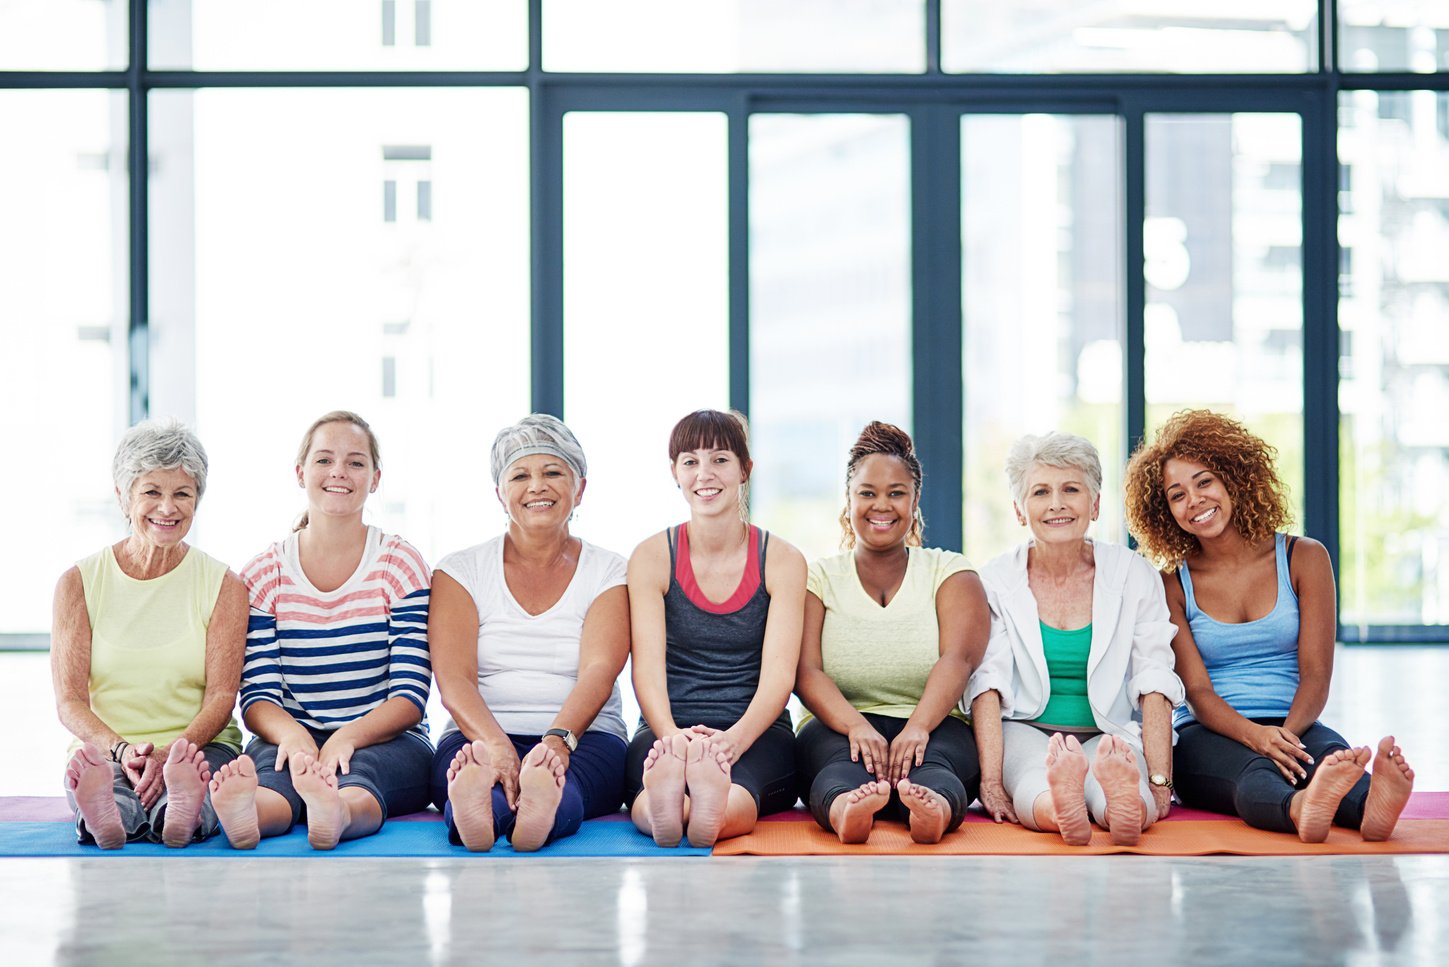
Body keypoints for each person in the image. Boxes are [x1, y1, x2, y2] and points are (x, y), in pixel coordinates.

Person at [1124, 409, 1415, 842]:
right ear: (1165, 511)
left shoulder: (1305, 557)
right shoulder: (1172, 584)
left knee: (1330, 756)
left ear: (1234, 479)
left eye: (1204, 482)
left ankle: (1373, 806)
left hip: (1295, 721)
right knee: (1254, 772)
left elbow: (1316, 674)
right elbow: (1199, 694)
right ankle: (1301, 808)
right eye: (1177, 494)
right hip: (1208, 733)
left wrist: (1287, 737)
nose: (1195, 501)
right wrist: (1259, 739)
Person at [208, 411, 432, 850]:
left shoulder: (400, 564)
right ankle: (248, 815)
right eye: (325, 460)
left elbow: (409, 696)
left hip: (386, 740)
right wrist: (296, 737)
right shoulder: (263, 573)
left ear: (375, 477)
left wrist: (346, 738)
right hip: (292, 733)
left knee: (362, 774)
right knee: (277, 773)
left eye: (355, 462)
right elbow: (258, 699)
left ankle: (337, 812)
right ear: (301, 472)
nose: (339, 473)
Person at [968, 432, 1183, 846]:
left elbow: (1155, 678)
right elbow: (986, 685)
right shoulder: (995, 579)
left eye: (1072, 489)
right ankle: (1061, 808)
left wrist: (1158, 783)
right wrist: (992, 783)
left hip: (1109, 731)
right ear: (1018, 509)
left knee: (1122, 783)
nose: (1057, 504)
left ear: (1096, 504)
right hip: (1026, 728)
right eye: (1040, 492)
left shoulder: (1132, 573)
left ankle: (1124, 810)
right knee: (1035, 778)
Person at [429, 415, 630, 852]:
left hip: (585, 737)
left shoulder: (610, 570)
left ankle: (540, 809)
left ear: (580, 488)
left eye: (553, 472)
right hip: (477, 735)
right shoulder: (460, 570)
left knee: (564, 785)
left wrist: (558, 741)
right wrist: (496, 746)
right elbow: (454, 679)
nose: (537, 486)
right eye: (520, 475)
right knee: (475, 778)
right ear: (501, 494)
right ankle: (478, 809)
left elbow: (599, 670)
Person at [795, 421, 990, 845]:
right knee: (837, 769)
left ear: (914, 499)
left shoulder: (951, 572)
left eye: (895, 493)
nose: (881, 505)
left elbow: (958, 658)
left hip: (935, 723)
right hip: (838, 726)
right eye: (867, 493)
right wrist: (855, 727)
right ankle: (849, 810)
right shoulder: (818, 577)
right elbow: (806, 672)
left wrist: (918, 727)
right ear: (848, 501)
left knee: (936, 767)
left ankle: (930, 812)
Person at [53, 418, 246, 849]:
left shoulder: (224, 585)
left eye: (182, 493)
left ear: (198, 499)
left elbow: (221, 696)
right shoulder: (78, 583)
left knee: (192, 786)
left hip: (200, 748)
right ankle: (110, 816)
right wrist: (123, 752)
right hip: (109, 752)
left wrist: (172, 754)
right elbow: (69, 701)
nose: (167, 508)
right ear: (123, 496)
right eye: (152, 492)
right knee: (109, 789)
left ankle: (183, 810)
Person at [627, 409, 806, 847]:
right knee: (652, 784)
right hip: (666, 729)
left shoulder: (782, 560)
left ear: (745, 469)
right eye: (690, 461)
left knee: (741, 790)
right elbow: (646, 670)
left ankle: (702, 812)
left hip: (757, 732)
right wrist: (671, 740)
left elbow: (780, 676)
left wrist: (730, 744)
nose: (704, 474)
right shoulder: (652, 557)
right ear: (675, 473)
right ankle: (674, 807)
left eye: (720, 459)